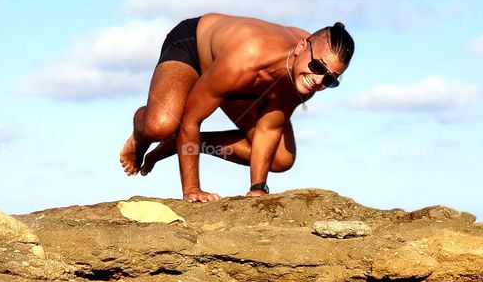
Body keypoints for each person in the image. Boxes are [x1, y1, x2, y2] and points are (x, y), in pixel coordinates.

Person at [119, 13, 354, 202]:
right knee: (161, 125)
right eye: (318, 67)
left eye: (331, 80)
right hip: (193, 48)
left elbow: (269, 128)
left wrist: (258, 188)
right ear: (301, 47)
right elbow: (190, 119)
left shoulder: (304, 79)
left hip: (239, 82)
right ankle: (141, 131)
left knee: (280, 159)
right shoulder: (246, 59)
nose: (318, 80)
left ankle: (186, 144)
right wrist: (192, 189)